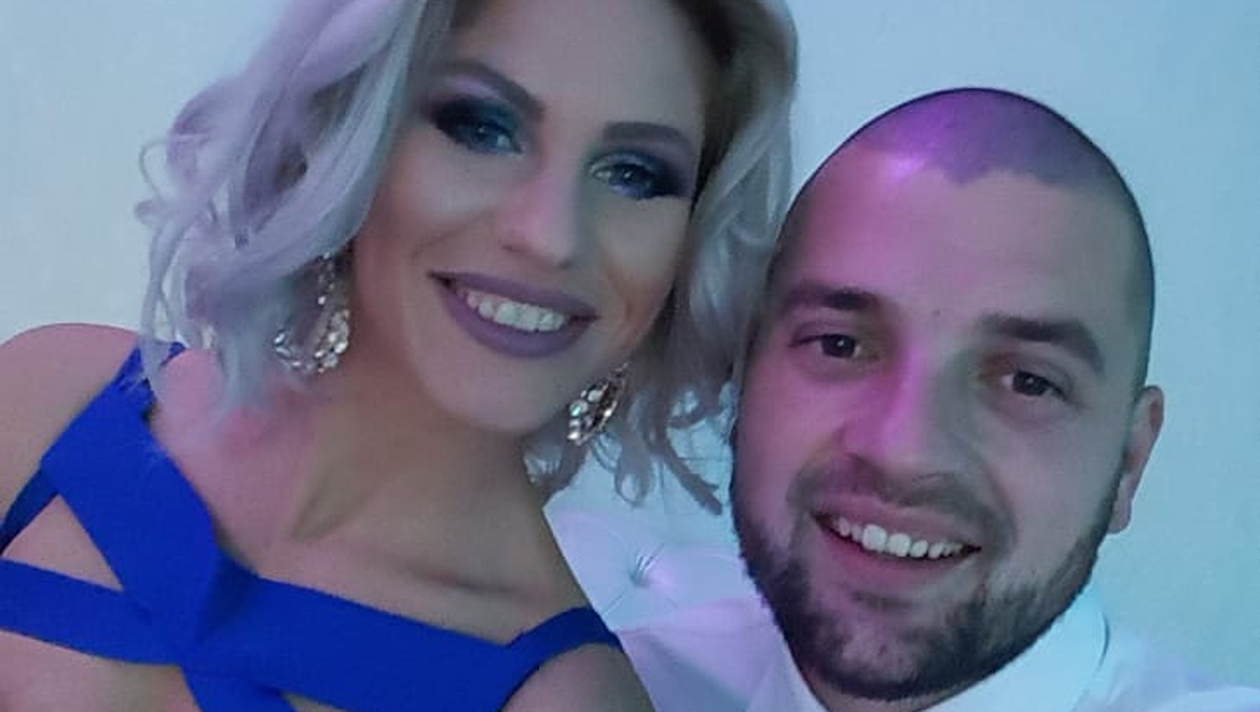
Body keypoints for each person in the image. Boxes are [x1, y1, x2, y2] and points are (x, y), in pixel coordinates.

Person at [0, 0, 796, 708]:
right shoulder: (52, 400)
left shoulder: (572, 700)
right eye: (483, 127)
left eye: (633, 174)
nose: (552, 236)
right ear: (351, 127)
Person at [622, 88, 1260, 712]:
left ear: (1129, 463)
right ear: (745, 373)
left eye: (1028, 381)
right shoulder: (621, 687)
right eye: (840, 345)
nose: (904, 451)